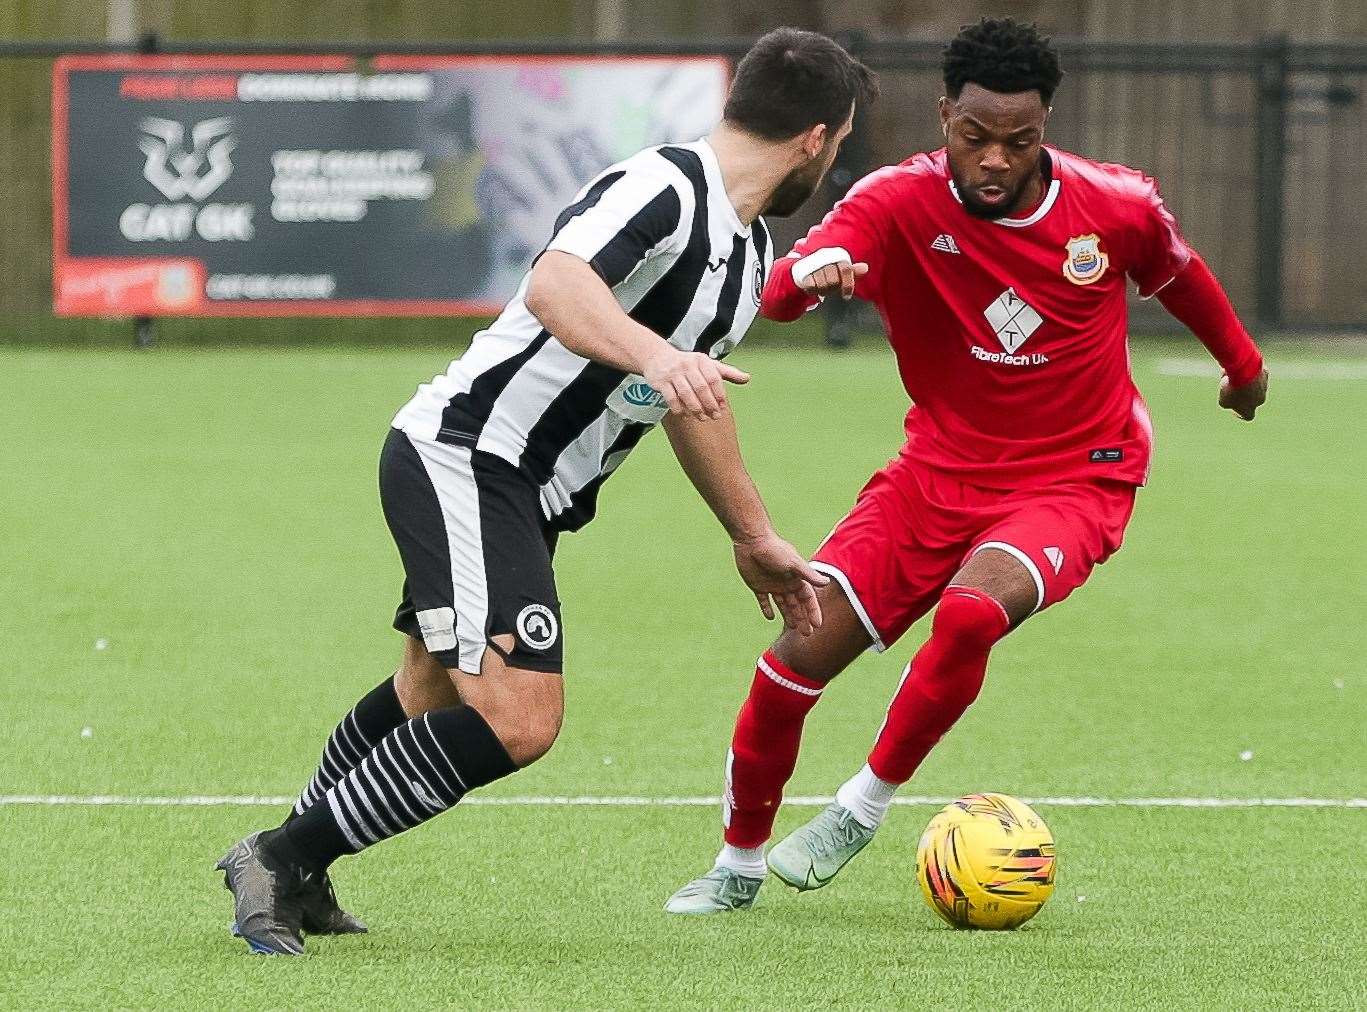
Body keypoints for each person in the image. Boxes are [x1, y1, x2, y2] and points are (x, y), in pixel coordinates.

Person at [214, 27, 877, 955]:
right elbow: (556, 285)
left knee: (431, 689)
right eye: (840, 143)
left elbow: (684, 402)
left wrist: (750, 532)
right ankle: (277, 857)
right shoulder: (665, 185)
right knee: (521, 717)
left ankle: (304, 868)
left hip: (524, 489)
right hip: (468, 455)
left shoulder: (748, 256)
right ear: (817, 138)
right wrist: (654, 351)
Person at [666, 17, 1267, 914]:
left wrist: (1243, 368)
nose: (993, 160)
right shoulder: (895, 201)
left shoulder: (1113, 206)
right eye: (973, 136)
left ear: (1045, 128)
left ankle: (858, 808)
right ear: (945, 115)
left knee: (971, 612)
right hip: (934, 475)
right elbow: (783, 291)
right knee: (793, 658)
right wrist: (813, 277)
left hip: (1078, 474)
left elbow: (1180, 275)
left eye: (1017, 142)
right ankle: (736, 864)